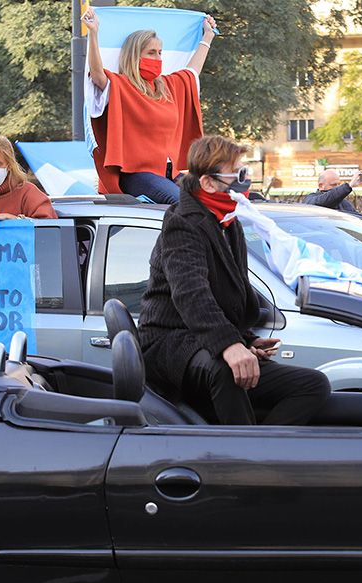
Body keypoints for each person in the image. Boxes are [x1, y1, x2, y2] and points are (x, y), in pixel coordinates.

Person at [139, 135, 331, 425]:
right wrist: (230, 346)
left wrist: (246, 340)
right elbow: (192, 295)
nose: (246, 181)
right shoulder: (183, 223)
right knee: (228, 371)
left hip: (203, 341)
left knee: (312, 385)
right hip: (172, 344)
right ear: (208, 183)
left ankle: (261, 454)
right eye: (239, 174)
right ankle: (244, 458)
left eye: (246, 172)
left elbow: (233, 292)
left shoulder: (228, 220)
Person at [82, 4, 215, 204]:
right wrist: (93, 33)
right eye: (151, 53)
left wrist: (207, 37)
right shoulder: (120, 85)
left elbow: (192, 72)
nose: (158, 58)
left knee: (214, 202)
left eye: (160, 52)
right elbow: (98, 74)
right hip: (135, 175)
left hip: (168, 172)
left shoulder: (168, 87)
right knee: (185, 205)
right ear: (134, 56)